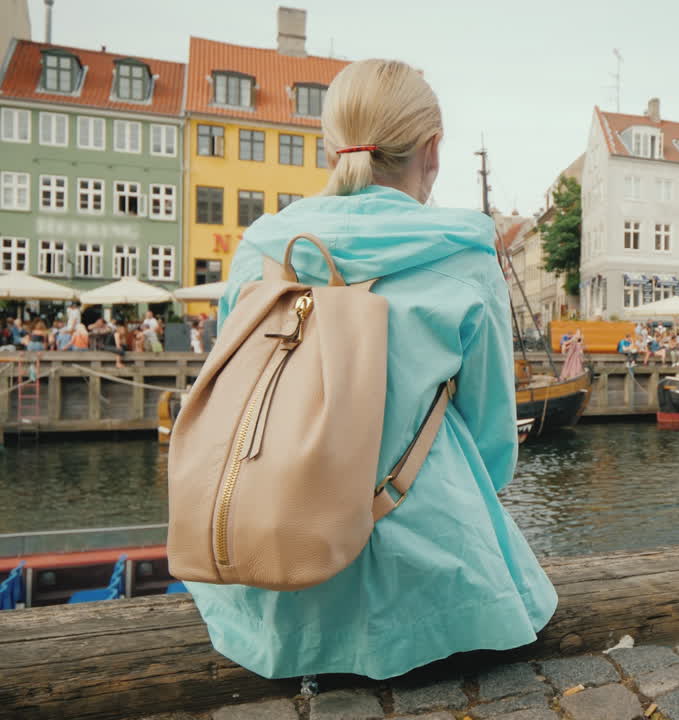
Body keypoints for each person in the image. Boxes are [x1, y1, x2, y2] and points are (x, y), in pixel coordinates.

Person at [184, 58, 556, 681]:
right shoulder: (463, 258)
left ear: (329, 146)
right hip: (431, 573)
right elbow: (491, 436)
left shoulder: (262, 251)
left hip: (276, 564)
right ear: (432, 150)